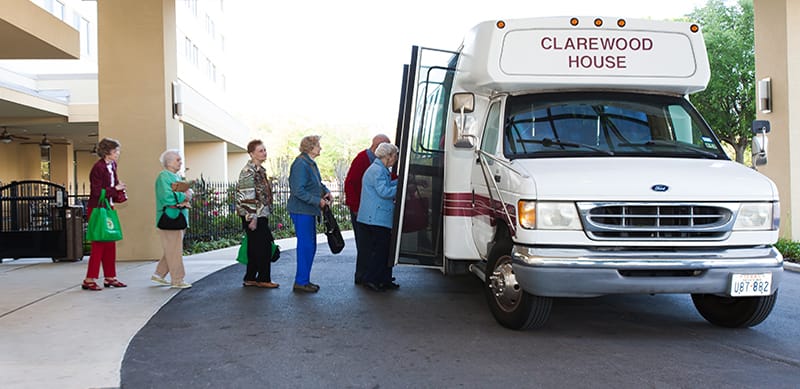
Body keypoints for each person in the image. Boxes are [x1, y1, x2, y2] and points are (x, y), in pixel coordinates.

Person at [287, 135, 332, 293]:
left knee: (309, 246)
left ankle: (303, 279)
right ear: (310, 147)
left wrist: (325, 191)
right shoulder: (301, 164)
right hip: (301, 210)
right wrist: (317, 201)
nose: (320, 148)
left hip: (307, 211)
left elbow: (316, 183)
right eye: (318, 145)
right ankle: (301, 281)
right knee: (306, 246)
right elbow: (297, 190)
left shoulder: (309, 163)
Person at [81, 138, 127, 291]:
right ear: (107, 152)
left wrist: (118, 192)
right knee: (99, 244)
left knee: (110, 242)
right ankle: (89, 279)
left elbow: (112, 185)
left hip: (108, 207)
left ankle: (110, 277)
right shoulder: (98, 168)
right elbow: (97, 192)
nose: (118, 154)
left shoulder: (112, 165)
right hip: (97, 209)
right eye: (115, 151)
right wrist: (116, 189)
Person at [344, 134, 390, 285]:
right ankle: (363, 276)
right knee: (364, 245)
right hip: (360, 208)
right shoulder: (363, 159)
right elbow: (350, 183)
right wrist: (355, 206)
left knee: (369, 244)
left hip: (364, 208)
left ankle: (368, 275)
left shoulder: (373, 161)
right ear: (379, 146)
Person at [235, 139, 279, 289]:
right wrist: (251, 218)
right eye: (261, 150)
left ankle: (250, 277)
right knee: (264, 246)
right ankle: (263, 278)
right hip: (254, 215)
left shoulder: (261, 171)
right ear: (252, 153)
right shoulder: (248, 172)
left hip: (261, 214)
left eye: (265, 150)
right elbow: (247, 196)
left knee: (254, 247)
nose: (264, 153)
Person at [357, 142, 400, 292]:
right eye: (394, 156)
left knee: (383, 249)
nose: (395, 159)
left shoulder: (379, 169)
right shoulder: (378, 171)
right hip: (376, 217)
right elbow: (384, 191)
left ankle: (383, 278)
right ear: (388, 156)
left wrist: (397, 182)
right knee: (381, 251)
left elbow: (385, 186)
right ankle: (372, 279)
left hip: (374, 217)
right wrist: (400, 186)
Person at [152, 149, 193, 289]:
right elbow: (167, 197)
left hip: (178, 217)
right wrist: (185, 196)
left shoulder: (175, 177)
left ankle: (159, 274)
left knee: (172, 248)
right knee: (174, 251)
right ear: (169, 162)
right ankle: (177, 279)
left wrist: (186, 194)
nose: (180, 162)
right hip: (170, 217)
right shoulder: (164, 176)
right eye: (178, 160)